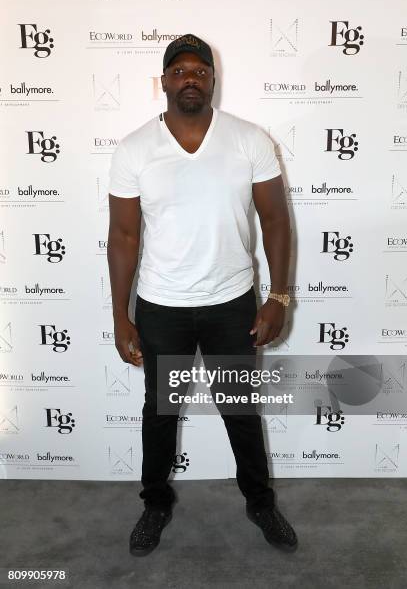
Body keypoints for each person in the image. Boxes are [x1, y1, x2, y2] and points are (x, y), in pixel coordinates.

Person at [107, 34, 297, 556]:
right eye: (180, 71)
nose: (191, 78)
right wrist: (121, 316)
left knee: (239, 410)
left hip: (231, 301)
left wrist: (278, 297)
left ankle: (260, 503)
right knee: (161, 413)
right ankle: (154, 505)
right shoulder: (134, 148)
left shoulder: (249, 140)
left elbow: (276, 218)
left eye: (200, 71)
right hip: (161, 305)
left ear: (213, 79)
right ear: (164, 81)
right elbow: (123, 236)